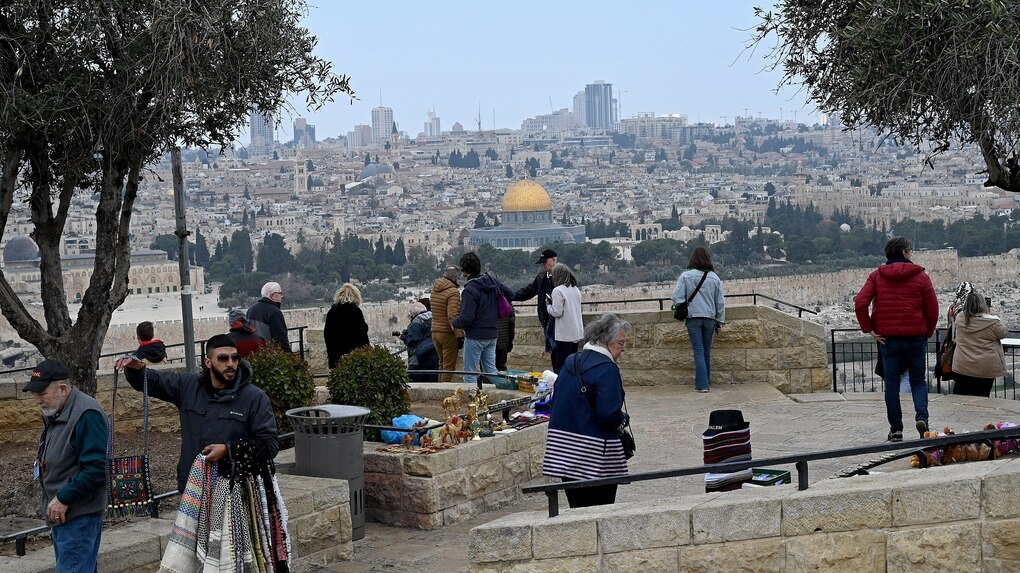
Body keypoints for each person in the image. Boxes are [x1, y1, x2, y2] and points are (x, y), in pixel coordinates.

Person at [116, 334, 279, 493]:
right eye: (223, 358)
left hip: (234, 490)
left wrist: (229, 450)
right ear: (208, 362)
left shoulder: (254, 397)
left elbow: (269, 445)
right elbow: (151, 381)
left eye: (235, 358)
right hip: (192, 488)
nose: (231, 363)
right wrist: (135, 369)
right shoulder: (187, 386)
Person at [25, 359, 109, 573]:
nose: (37, 400)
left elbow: (97, 470)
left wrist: (64, 498)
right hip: (65, 515)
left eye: (41, 393)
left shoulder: (86, 414)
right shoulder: (59, 410)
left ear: (62, 389)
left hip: (78, 514)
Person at [542, 313, 631, 508]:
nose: (623, 348)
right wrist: (623, 419)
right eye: (621, 343)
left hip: (564, 450)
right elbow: (608, 414)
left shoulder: (571, 361)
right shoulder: (607, 369)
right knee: (599, 509)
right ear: (606, 341)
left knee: (577, 508)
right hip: (593, 454)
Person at [855, 237, 938, 442]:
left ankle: (896, 429)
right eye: (910, 250)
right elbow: (933, 308)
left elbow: (860, 303)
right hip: (915, 337)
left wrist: (869, 329)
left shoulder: (876, 276)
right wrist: (927, 331)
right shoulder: (921, 277)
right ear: (904, 253)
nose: (911, 254)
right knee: (918, 381)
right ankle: (922, 419)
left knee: (892, 384)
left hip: (887, 339)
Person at [451, 251, 514, 386]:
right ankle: (507, 389)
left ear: (465, 271)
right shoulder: (492, 281)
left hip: (475, 336)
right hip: (492, 333)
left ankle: (473, 402)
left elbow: (467, 318)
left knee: (470, 372)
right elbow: (510, 294)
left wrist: (454, 322)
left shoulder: (470, 290)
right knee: (491, 371)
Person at [672, 246, 726, 393]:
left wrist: (686, 303)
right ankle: (706, 380)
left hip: (693, 317)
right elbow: (720, 302)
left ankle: (702, 385)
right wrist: (720, 322)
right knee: (706, 350)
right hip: (709, 318)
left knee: (698, 351)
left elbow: (676, 298)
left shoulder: (686, 276)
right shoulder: (715, 278)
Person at [951, 290, 1007, 397]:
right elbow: (1004, 333)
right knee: (982, 397)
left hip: (963, 366)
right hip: (985, 369)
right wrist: (992, 315)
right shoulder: (993, 322)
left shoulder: (960, 318)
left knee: (963, 398)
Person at [513, 248, 557, 365]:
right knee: (554, 356)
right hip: (548, 323)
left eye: (545, 262)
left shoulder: (562, 277)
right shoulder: (541, 277)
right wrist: (511, 295)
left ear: (554, 260)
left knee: (563, 356)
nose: (543, 265)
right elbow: (529, 291)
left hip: (561, 323)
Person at [324, 282, 371, 369]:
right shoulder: (355, 311)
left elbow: (327, 334)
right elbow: (362, 333)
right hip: (354, 356)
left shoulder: (332, 311)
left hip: (336, 356)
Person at [547, 263, 583, 373]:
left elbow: (557, 312)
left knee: (561, 365)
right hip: (575, 332)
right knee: (572, 364)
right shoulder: (575, 289)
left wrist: (548, 306)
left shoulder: (558, 290)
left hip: (564, 334)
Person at [431, 266, 465, 382]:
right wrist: (459, 335)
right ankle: (444, 392)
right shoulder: (453, 292)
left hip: (435, 331)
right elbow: (453, 316)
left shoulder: (435, 289)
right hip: (447, 333)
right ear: (456, 277)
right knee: (448, 367)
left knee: (441, 363)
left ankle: (439, 388)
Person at [246, 281, 291, 352]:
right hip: (269, 354)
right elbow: (280, 337)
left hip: (253, 353)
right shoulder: (274, 312)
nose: (281, 297)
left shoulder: (250, 310)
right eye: (280, 294)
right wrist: (289, 355)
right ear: (273, 295)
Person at [400, 301, 439, 382]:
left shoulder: (417, 321)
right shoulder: (434, 317)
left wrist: (404, 337)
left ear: (413, 313)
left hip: (418, 360)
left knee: (413, 384)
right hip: (434, 358)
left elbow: (413, 340)